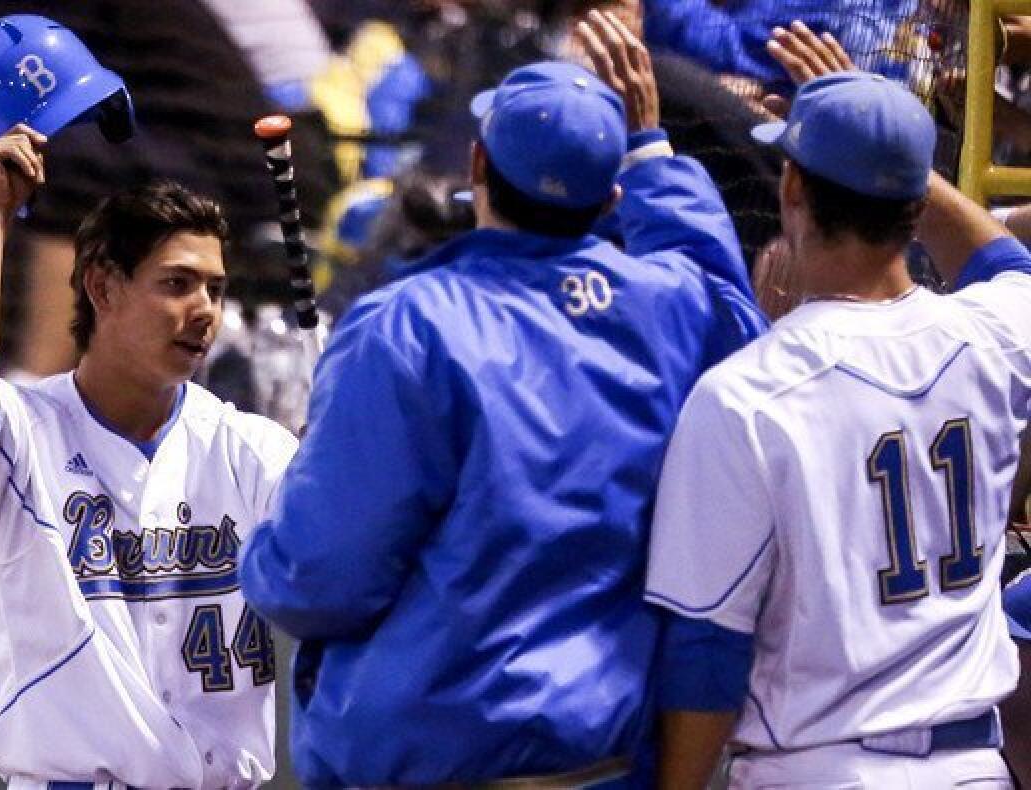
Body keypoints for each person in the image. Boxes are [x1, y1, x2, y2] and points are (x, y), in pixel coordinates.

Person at [240, 11, 766, 787]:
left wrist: (271, 535)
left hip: (434, 763)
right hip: (602, 762)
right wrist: (656, 154)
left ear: (477, 166)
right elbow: (728, 298)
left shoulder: (406, 324)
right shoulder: (674, 307)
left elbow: (317, 581)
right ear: (613, 191)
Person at [643, 26, 1031, 790]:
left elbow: (706, 648)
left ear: (792, 187)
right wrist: (898, 154)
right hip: (976, 769)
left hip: (821, 770)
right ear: (915, 201)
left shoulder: (747, 392)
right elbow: (1005, 261)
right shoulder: (994, 336)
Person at [0, 125, 297, 789]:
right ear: (102, 287)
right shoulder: (21, 433)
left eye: (214, 287)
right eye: (176, 283)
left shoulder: (254, 448)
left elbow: (347, 563)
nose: (203, 309)